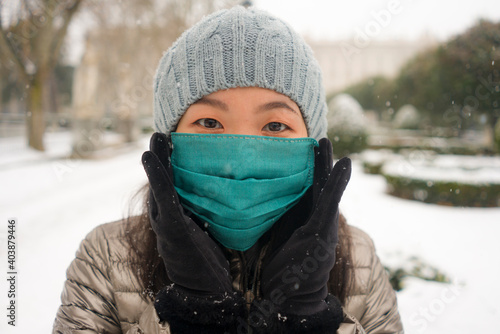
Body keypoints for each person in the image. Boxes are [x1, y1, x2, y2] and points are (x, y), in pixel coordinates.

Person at [53, 5, 403, 334]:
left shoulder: (360, 262)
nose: (240, 156)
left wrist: (306, 317)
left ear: (314, 145)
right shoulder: (106, 258)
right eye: (209, 122)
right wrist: (194, 315)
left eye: (276, 126)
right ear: (168, 142)